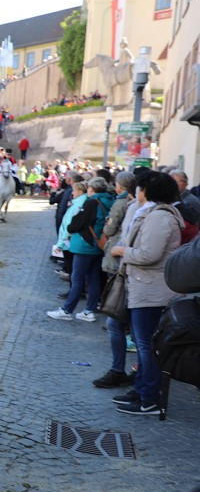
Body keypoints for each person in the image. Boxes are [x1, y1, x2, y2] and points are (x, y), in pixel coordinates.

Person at [109, 172, 184, 415]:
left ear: (148, 191)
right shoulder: (158, 214)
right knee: (144, 344)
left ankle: (149, 397)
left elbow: (149, 255)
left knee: (146, 345)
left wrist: (122, 251)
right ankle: (142, 389)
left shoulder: (160, 217)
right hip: (145, 287)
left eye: (140, 188)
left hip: (150, 290)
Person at [47, 177, 114, 322]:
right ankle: (89, 310)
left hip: (85, 245)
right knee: (93, 279)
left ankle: (67, 310)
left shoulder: (91, 203)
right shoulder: (110, 200)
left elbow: (75, 224)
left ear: (92, 189)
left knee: (77, 279)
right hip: (99, 245)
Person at [93, 171, 136, 388]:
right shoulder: (130, 203)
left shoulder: (125, 204)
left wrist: (120, 249)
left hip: (129, 269)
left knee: (121, 322)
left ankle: (125, 373)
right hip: (129, 267)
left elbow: (112, 227)